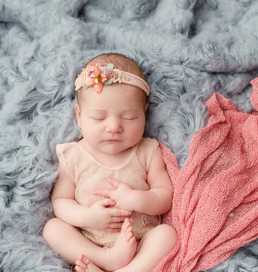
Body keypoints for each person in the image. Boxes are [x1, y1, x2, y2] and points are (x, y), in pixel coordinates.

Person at [42, 53, 177, 272]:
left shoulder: (148, 150)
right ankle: (105, 258)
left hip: (141, 240)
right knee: (52, 229)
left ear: (144, 113)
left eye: (128, 117)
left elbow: (165, 197)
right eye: (98, 118)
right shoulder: (73, 155)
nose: (114, 127)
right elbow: (60, 202)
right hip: (90, 239)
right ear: (79, 116)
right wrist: (87, 217)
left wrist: (137, 199)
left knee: (167, 235)